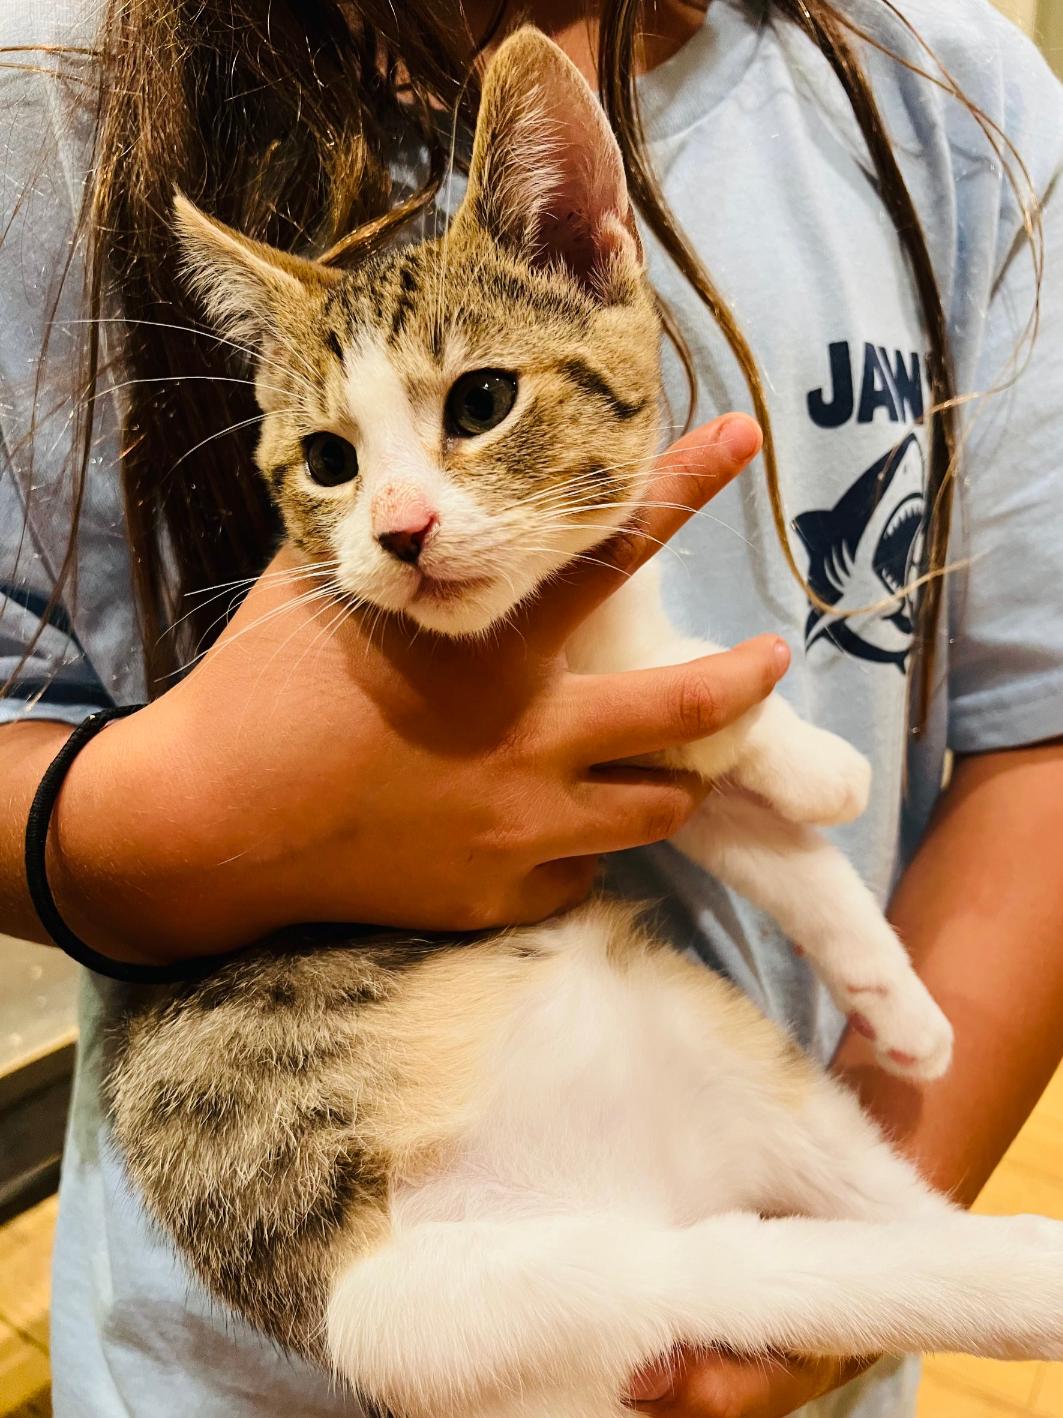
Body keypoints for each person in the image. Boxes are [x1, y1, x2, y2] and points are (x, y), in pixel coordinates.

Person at [2, 1, 1062, 1415]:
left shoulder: (946, 98)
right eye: (330, 456)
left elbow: (1030, 735)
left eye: (474, 402)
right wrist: (192, 810)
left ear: (587, 245)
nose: (398, 517)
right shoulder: (52, 107)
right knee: (490, 1287)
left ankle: (896, 1263)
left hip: (680, 1148)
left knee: (668, 1061)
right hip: (281, 1249)